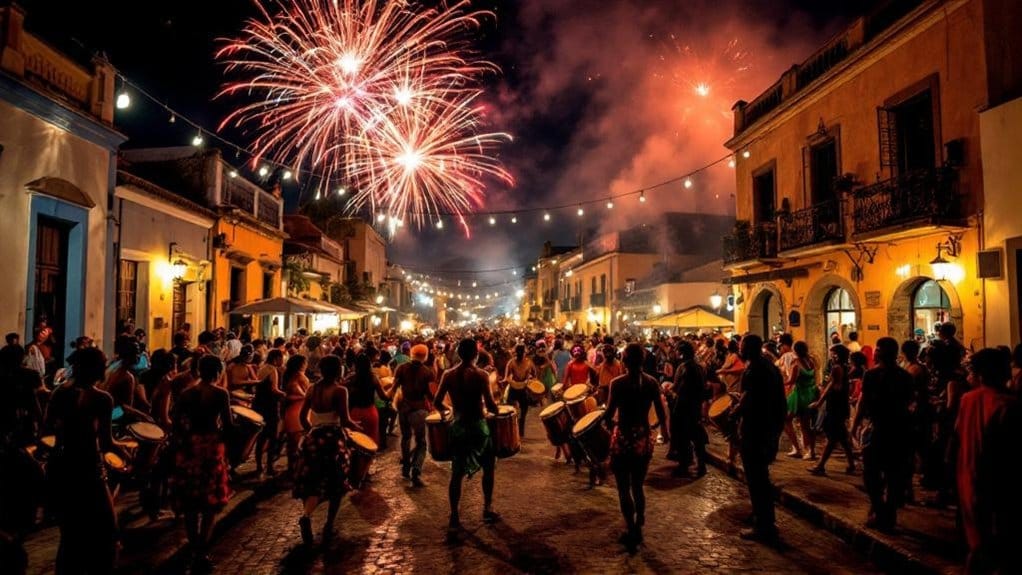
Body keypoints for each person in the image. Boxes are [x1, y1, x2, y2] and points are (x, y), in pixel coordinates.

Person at [45, 346, 127, 574]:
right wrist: (128, 454)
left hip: (61, 469)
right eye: (102, 363)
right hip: (90, 470)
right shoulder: (102, 399)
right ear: (95, 369)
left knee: (69, 536)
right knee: (108, 534)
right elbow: (107, 442)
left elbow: (45, 433)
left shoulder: (59, 393)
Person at [955, 348, 1021, 573]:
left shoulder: (967, 399)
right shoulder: (1007, 405)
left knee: (978, 546)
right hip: (997, 483)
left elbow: (956, 438)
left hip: (968, 479)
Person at [170, 355, 234, 569]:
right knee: (211, 503)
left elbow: (176, 421)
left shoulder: (187, 394)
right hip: (212, 447)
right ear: (218, 372)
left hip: (189, 448)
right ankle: (201, 550)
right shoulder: (220, 393)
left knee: (190, 502)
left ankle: (193, 544)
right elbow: (228, 425)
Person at [605, 343, 669, 549]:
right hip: (643, 437)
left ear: (624, 361)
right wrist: (665, 433)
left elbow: (609, 412)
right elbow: (660, 411)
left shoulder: (617, 383)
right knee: (638, 485)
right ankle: (640, 517)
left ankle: (632, 528)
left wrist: (606, 421)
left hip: (623, 438)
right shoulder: (651, 383)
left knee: (623, 487)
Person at [434, 338, 501, 537]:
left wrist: (451, 411)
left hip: (459, 427)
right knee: (488, 467)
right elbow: (490, 405)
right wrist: (498, 410)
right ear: (476, 354)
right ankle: (487, 508)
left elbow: (437, 402)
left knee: (456, 473)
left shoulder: (448, 374)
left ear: (458, 354)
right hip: (479, 428)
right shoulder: (482, 375)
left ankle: (454, 516)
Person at [293, 355, 361, 545]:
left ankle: (306, 515)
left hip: (314, 438)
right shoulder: (340, 390)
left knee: (313, 480)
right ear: (338, 370)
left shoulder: (312, 389)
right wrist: (357, 427)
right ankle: (329, 524)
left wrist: (311, 432)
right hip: (333, 439)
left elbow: (302, 416)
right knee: (337, 482)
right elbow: (345, 420)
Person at [851, 337, 913, 531]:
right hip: (899, 429)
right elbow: (910, 403)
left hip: (880, 428)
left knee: (872, 473)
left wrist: (855, 425)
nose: (875, 352)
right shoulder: (905, 376)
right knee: (894, 474)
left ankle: (880, 509)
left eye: (877, 349)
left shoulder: (872, 375)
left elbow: (864, 402)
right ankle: (887, 512)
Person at [733, 334, 787, 542]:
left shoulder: (753, 370)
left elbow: (748, 400)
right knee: (761, 476)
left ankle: (764, 525)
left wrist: (734, 412)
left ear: (749, 348)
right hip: (769, 428)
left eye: (742, 345)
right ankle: (761, 515)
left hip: (756, 430)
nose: (740, 348)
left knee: (757, 479)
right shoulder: (770, 367)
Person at [809, 344, 855, 475]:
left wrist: (819, 402)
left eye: (832, 353)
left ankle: (820, 465)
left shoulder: (836, 368)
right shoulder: (846, 368)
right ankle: (851, 464)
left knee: (832, 437)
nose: (831, 356)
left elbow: (832, 387)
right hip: (841, 405)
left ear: (837, 355)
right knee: (842, 437)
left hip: (835, 405)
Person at [393, 344, 435, 487]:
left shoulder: (401, 368)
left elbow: (394, 388)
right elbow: (430, 394)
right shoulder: (427, 372)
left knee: (405, 438)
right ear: (425, 356)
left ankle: (405, 467)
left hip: (403, 408)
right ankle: (416, 471)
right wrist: (439, 406)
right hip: (419, 410)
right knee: (422, 442)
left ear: (411, 354)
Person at [669, 340, 707, 477]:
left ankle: (684, 465)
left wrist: (669, 391)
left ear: (682, 353)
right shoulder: (699, 367)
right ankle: (701, 465)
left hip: (684, 406)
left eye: (678, 351)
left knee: (683, 437)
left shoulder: (683, 368)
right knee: (697, 437)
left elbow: (678, 388)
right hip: (695, 406)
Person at [344, 353, 389, 449]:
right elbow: (383, 396)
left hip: (355, 413)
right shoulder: (373, 378)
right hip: (370, 412)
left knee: (355, 444)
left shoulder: (351, 378)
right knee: (370, 444)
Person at [783, 341, 818, 460]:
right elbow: (814, 378)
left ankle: (797, 448)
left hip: (799, 394)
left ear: (794, 350)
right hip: (810, 393)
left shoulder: (796, 363)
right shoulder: (811, 361)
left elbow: (791, 381)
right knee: (805, 423)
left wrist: (780, 381)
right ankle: (809, 450)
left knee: (786, 420)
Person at [253, 349, 285, 476]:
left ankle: (259, 465)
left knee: (260, 436)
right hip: (269, 405)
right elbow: (274, 389)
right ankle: (270, 466)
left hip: (258, 404)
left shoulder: (262, 367)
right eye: (281, 358)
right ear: (276, 358)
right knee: (272, 436)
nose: (282, 361)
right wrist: (284, 394)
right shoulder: (272, 369)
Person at [282, 355, 311, 477]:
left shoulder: (289, 375)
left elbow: (287, 395)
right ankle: (297, 471)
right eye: (305, 362)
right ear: (302, 364)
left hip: (290, 411)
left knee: (291, 443)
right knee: (299, 442)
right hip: (299, 410)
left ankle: (291, 468)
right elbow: (308, 394)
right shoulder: (301, 377)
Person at [503, 344, 535, 437]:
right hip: (514, 388)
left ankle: (519, 432)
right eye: (520, 352)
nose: (521, 354)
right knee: (513, 412)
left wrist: (530, 380)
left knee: (521, 412)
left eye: (522, 352)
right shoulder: (511, 362)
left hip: (522, 389)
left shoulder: (528, 363)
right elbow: (506, 377)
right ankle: (516, 432)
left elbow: (534, 375)